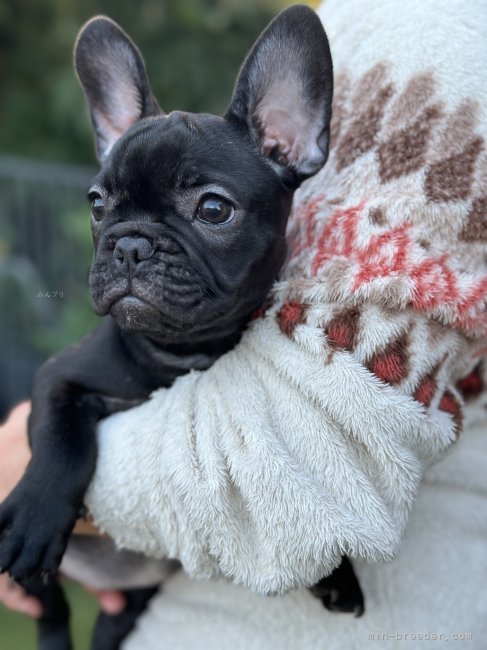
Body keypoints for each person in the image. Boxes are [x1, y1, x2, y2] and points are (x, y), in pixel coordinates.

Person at [2, 0, 487, 646]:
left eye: (208, 209)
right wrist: (46, 482)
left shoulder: (436, 35)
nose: (130, 248)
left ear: (292, 144)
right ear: (108, 139)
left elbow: (305, 446)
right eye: (106, 209)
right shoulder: (121, 349)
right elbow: (63, 388)